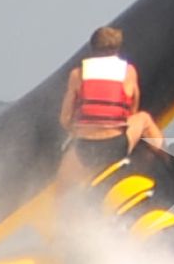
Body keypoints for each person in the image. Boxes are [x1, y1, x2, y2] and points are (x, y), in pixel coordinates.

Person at [58, 26, 164, 182]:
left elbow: (65, 119)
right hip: (115, 147)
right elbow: (132, 112)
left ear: (92, 47)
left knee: (65, 171)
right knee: (144, 119)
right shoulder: (128, 72)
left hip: (86, 150)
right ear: (117, 48)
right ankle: (170, 162)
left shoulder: (77, 75)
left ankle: (67, 199)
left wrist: (78, 129)